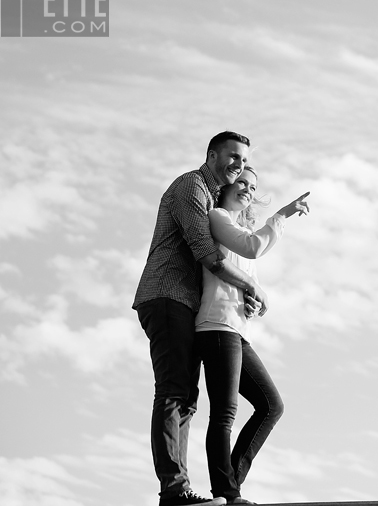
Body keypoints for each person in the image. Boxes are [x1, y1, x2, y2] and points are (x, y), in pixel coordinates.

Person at [133, 132, 269, 506]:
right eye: (233, 157)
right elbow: (208, 256)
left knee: (187, 398)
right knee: (175, 391)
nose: (238, 166)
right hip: (166, 296)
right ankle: (174, 489)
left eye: (244, 161)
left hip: (187, 304)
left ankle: (180, 488)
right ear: (212, 155)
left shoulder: (213, 198)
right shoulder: (191, 186)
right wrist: (252, 288)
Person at [196, 166, 309, 505]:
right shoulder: (217, 218)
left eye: (252, 186)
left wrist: (251, 300)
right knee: (224, 413)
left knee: (271, 405)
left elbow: (239, 273)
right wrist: (283, 214)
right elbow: (253, 247)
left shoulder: (237, 227)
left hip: (236, 330)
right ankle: (226, 493)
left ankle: (230, 488)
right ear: (227, 186)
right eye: (242, 182)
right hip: (216, 327)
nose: (246, 188)